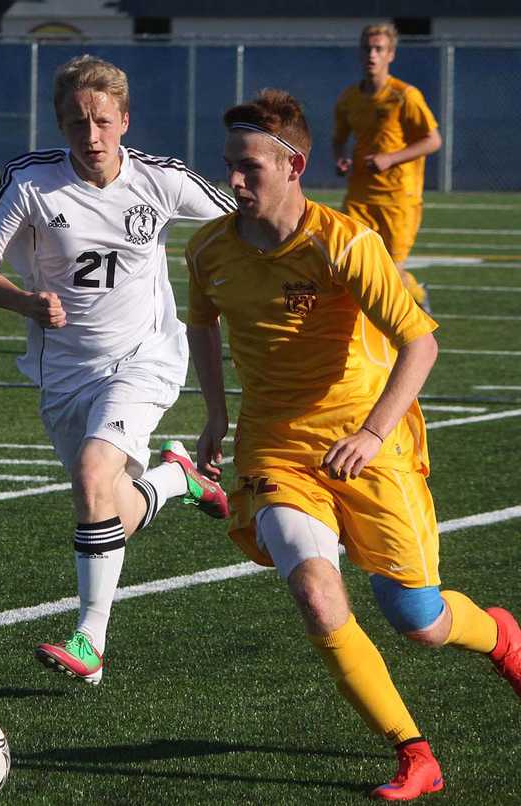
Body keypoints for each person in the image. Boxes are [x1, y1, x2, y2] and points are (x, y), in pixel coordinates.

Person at [185, 88, 520, 800]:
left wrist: (372, 432)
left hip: (369, 445)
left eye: (249, 168)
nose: (234, 182)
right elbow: (203, 324)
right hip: (275, 451)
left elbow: (420, 343)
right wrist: (215, 414)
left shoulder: (344, 243)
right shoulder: (208, 247)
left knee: (419, 621)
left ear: (293, 164)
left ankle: (503, 638)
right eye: (229, 167)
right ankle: (413, 752)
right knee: (313, 588)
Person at [0, 54, 235, 686]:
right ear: (61, 124)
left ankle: (90, 639)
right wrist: (24, 301)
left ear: (125, 120)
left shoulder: (161, 180)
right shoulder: (31, 182)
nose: (92, 137)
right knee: (103, 503)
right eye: (78, 122)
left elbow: (244, 218)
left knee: (91, 474)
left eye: (103, 121)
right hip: (64, 374)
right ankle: (173, 483)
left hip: (145, 358)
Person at [333, 22, 442, 314]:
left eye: (379, 49)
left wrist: (391, 158)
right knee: (352, 260)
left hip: (399, 198)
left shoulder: (405, 96)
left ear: (390, 55)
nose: (372, 54)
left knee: (392, 270)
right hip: (359, 196)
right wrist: (340, 158)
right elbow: (339, 139)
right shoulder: (349, 98)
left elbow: (433, 140)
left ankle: (417, 294)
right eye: (368, 48)